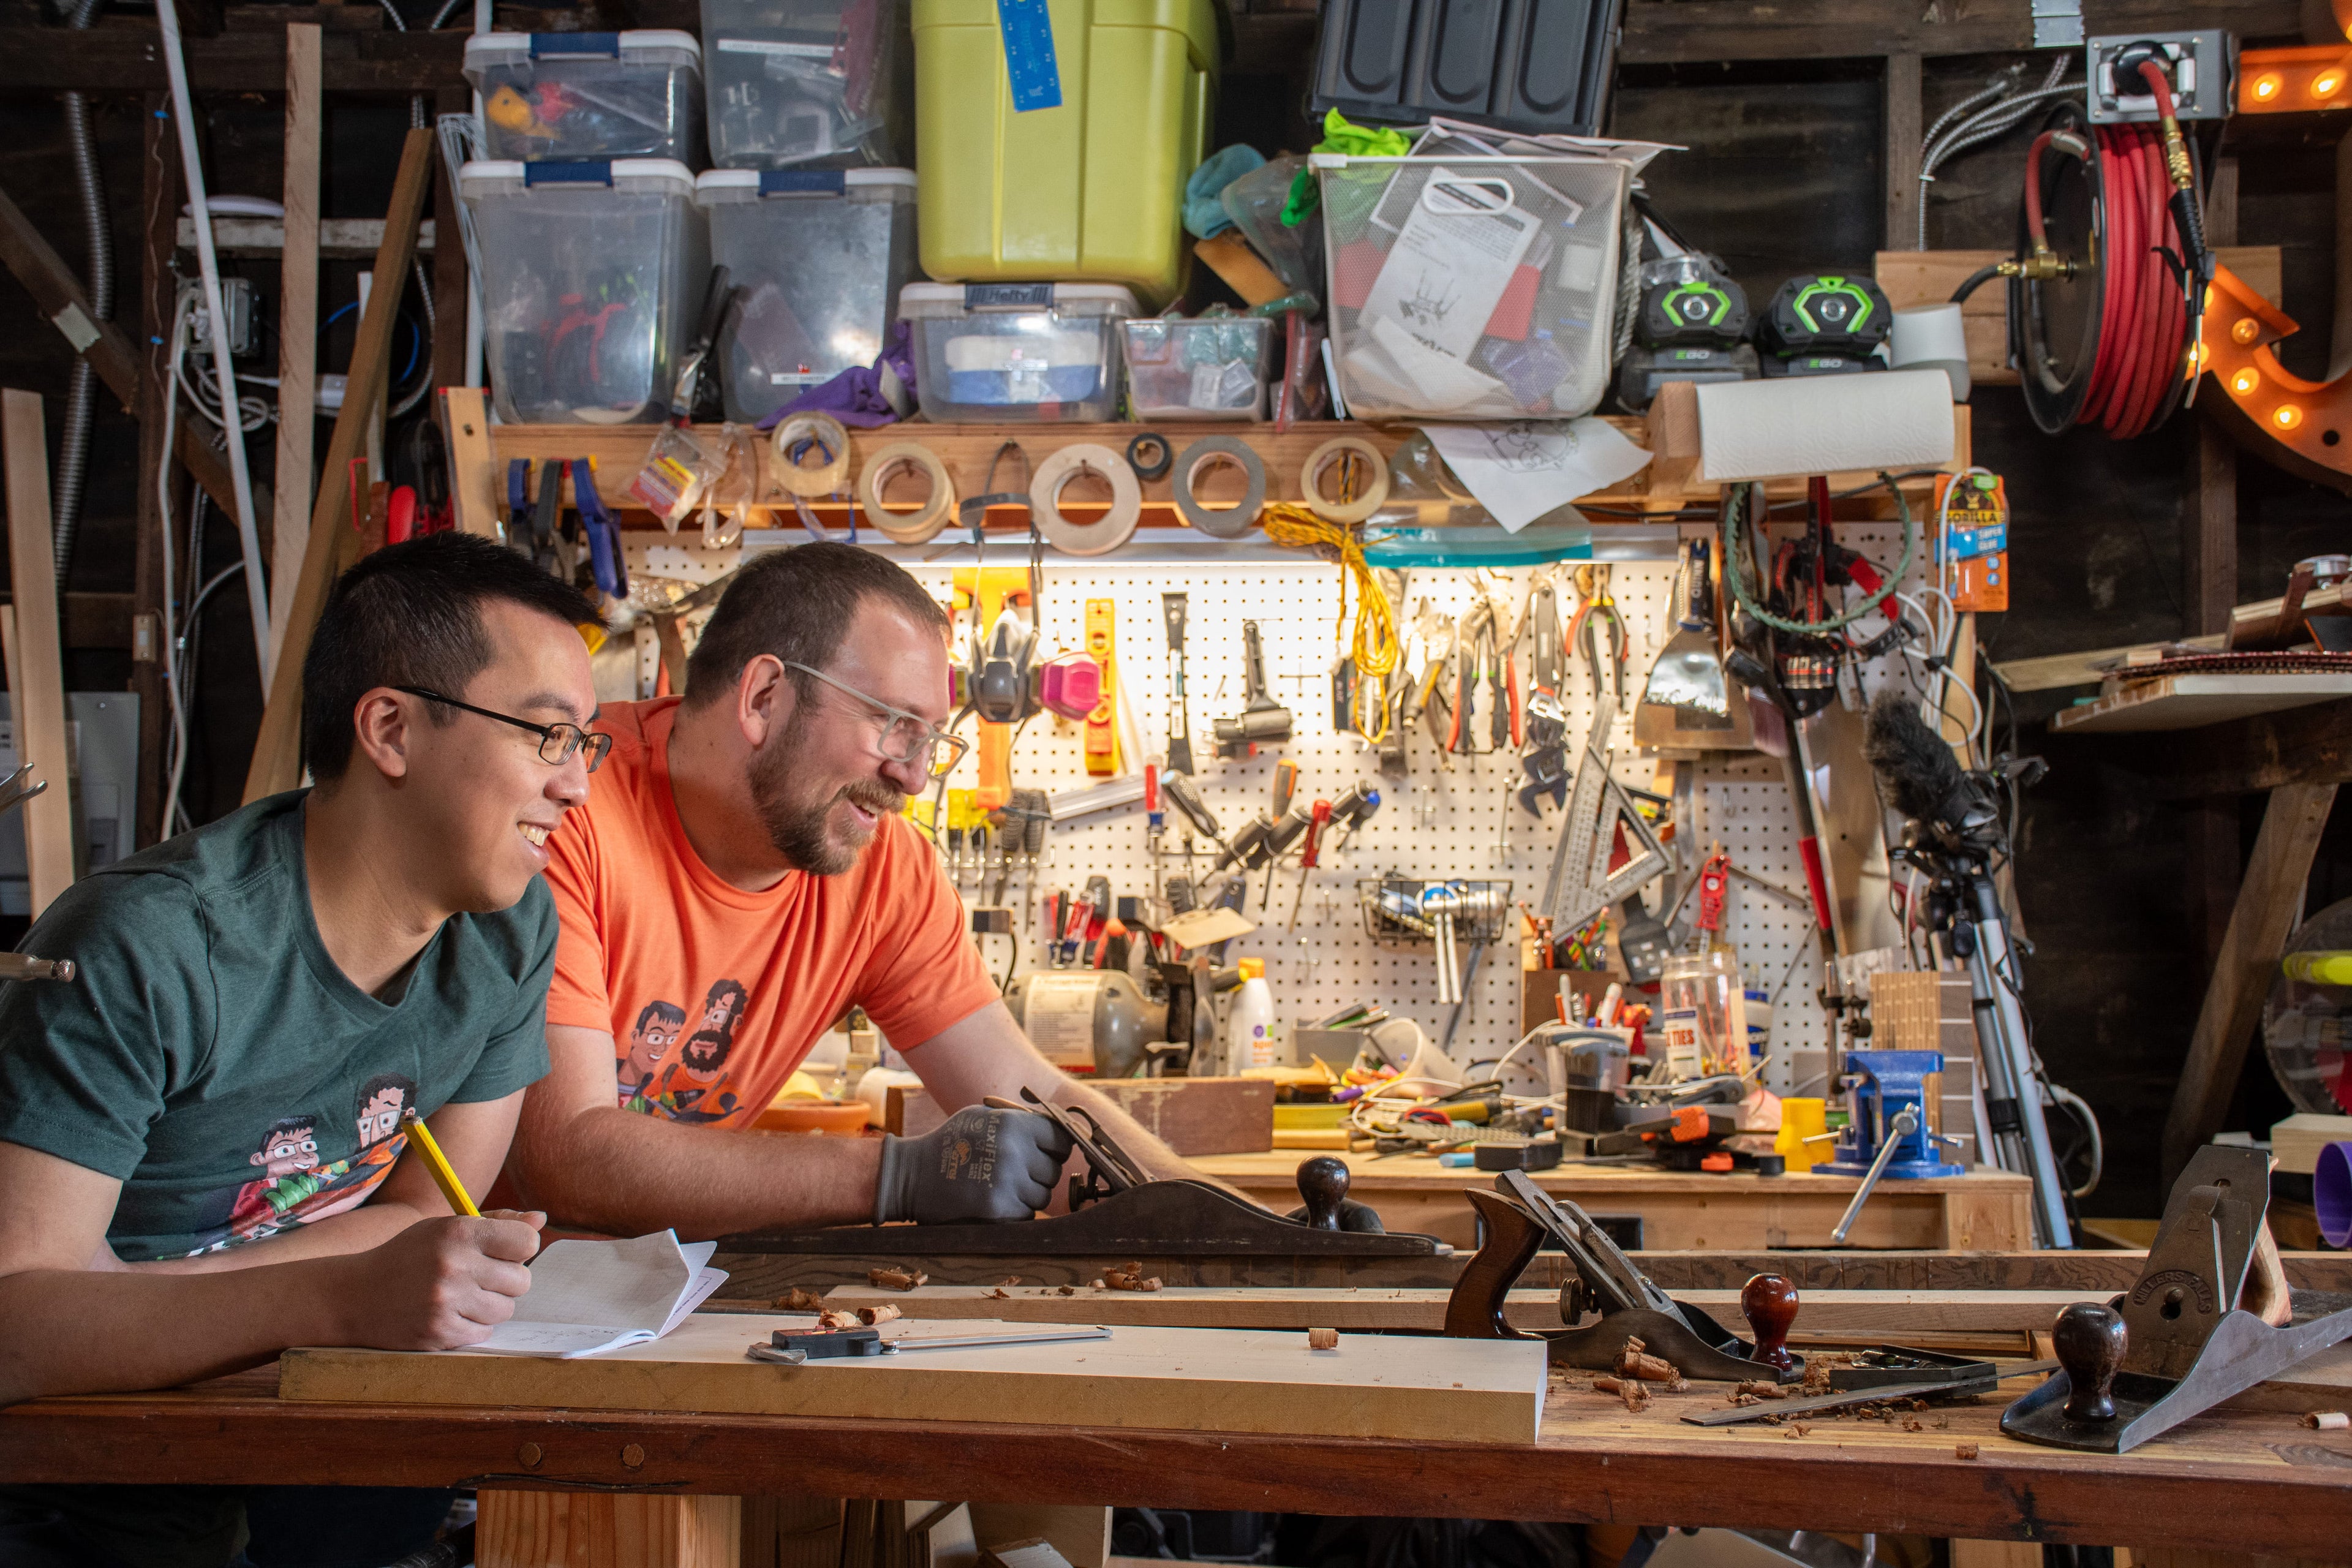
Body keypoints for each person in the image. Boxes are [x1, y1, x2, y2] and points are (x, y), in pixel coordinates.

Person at [0, 533, 607, 1568]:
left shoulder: (510, 931)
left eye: (588, 746)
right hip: (85, 1474)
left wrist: (177, 1299)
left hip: (320, 1431)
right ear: (390, 729)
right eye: (549, 737)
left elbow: (422, 1215)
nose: (578, 788)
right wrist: (334, 1293)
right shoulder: (149, 948)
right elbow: (18, 1326)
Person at [507, 543, 1243, 1237]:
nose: (915, 776)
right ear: (764, 696)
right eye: (893, 724)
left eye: (930, 739)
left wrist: (1236, 1226)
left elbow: (1030, 1094)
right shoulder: (558, 808)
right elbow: (565, 1157)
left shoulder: (885, 867)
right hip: (477, 1313)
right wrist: (895, 1175)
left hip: (650, 1296)